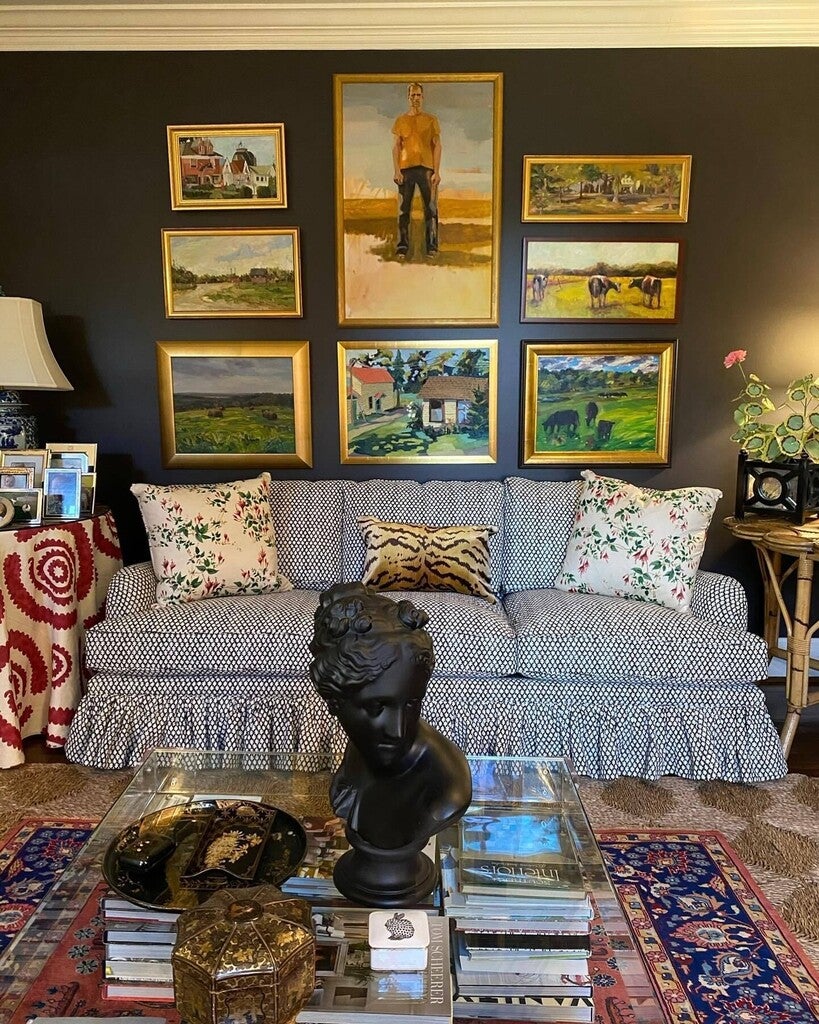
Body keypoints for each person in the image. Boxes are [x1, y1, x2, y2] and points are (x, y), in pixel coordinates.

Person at [309, 583, 471, 855]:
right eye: (376, 707)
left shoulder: (447, 788)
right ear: (334, 701)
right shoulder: (359, 751)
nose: (397, 731)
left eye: (411, 703)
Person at [391, 82, 442, 258]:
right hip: (406, 170)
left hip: (426, 169)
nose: (415, 99)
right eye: (412, 95)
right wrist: (397, 170)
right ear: (408, 97)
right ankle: (402, 247)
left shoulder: (431, 120)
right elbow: (396, 147)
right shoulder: (401, 120)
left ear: (423, 97)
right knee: (403, 210)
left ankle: (432, 247)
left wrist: (436, 171)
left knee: (431, 208)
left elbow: (437, 146)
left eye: (418, 95)